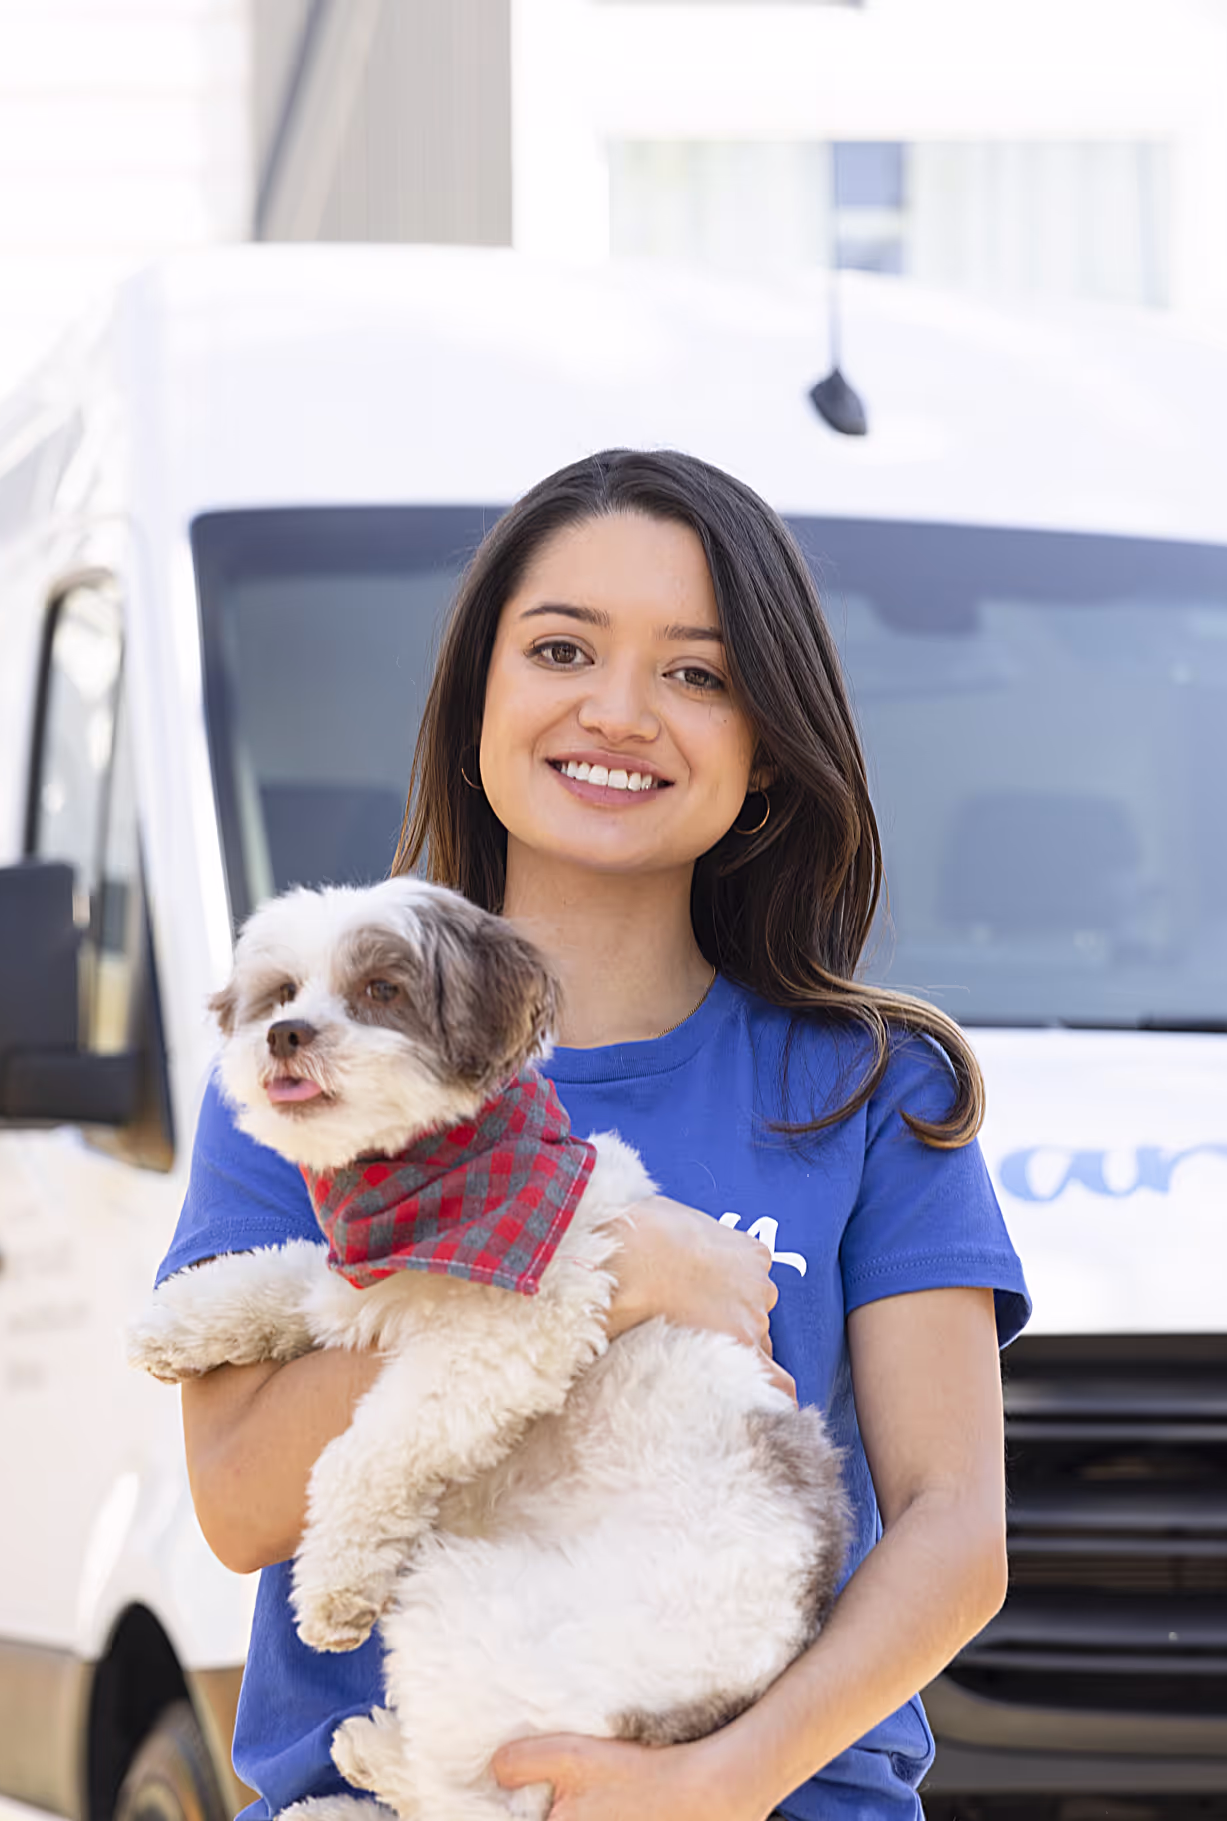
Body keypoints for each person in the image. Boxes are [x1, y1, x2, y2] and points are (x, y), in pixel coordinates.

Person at [160, 448, 1030, 1821]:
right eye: (563, 648)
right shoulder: (304, 1075)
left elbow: (954, 1535)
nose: (620, 712)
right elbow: (241, 1506)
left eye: (698, 673)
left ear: (762, 748)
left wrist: (717, 1784)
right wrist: (591, 1271)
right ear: (478, 704)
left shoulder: (872, 1086)